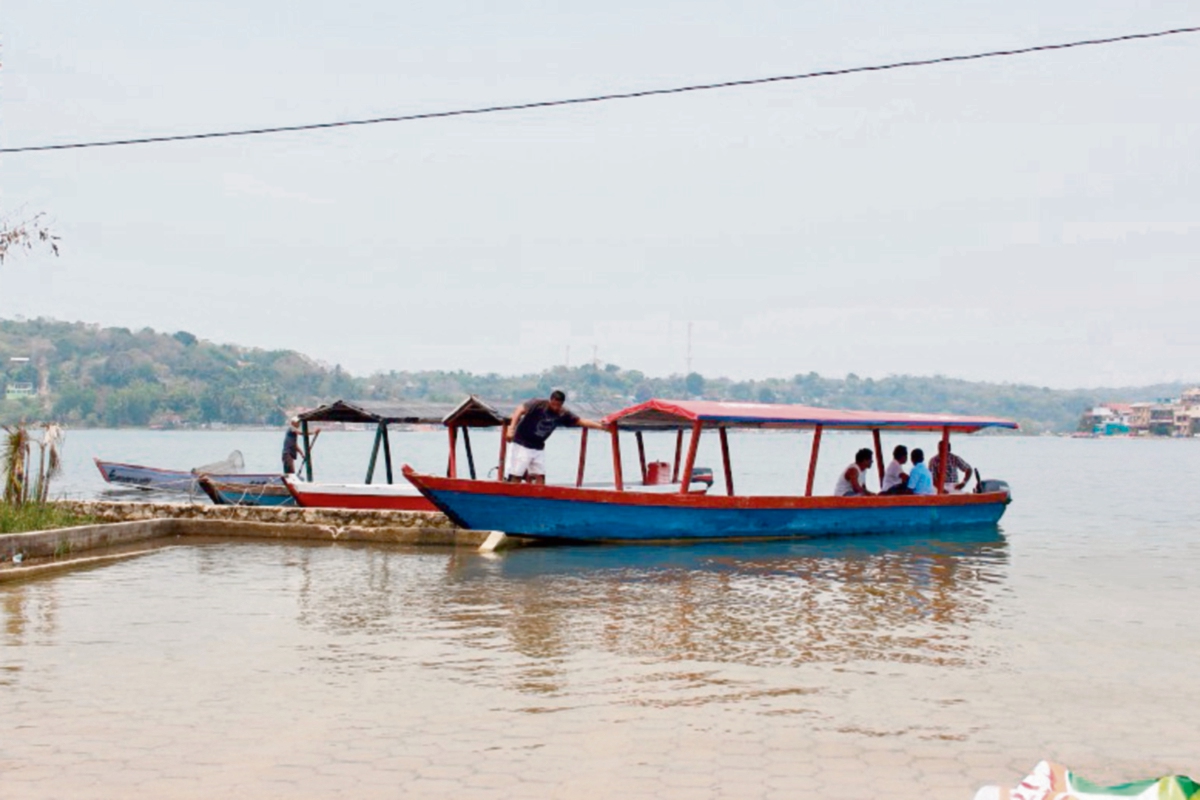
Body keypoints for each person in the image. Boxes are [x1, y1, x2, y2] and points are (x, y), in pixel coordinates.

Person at [506, 390, 607, 484]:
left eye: (558, 405)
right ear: (550, 400)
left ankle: (539, 496)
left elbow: (580, 421)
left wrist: (601, 427)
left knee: (540, 476)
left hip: (538, 446)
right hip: (522, 443)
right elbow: (519, 410)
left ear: (562, 404)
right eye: (553, 404)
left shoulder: (562, 413)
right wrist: (511, 428)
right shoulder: (538, 404)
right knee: (516, 474)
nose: (555, 408)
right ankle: (512, 493)